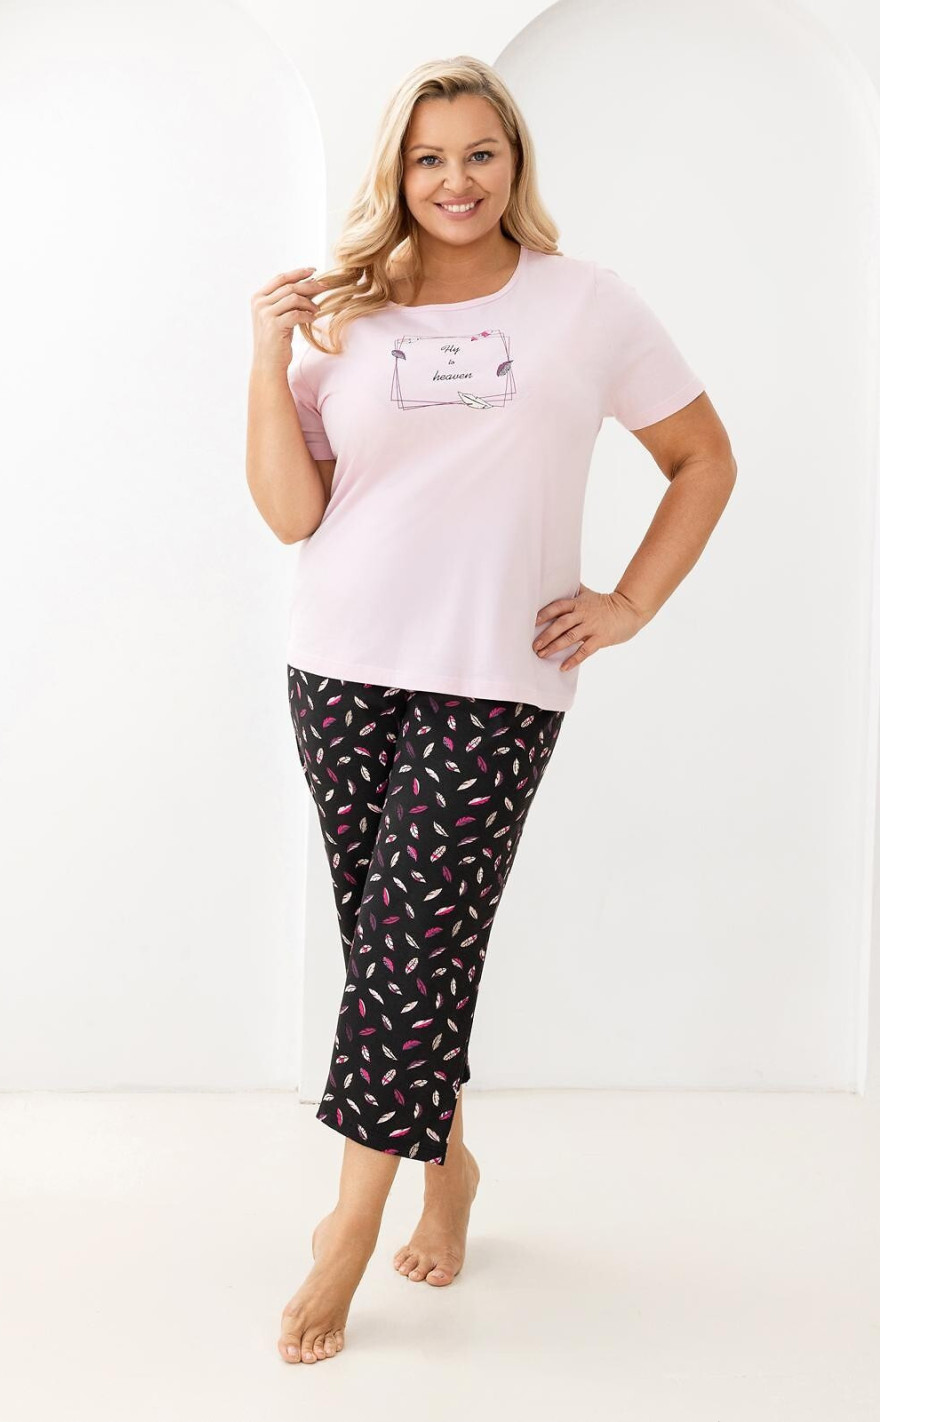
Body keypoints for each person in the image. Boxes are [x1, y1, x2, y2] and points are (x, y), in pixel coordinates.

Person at [246, 56, 737, 1366]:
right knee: (397, 954)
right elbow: (293, 513)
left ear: (514, 161)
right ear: (396, 173)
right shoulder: (348, 312)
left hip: (497, 679)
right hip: (340, 664)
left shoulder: (588, 305)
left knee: (411, 946)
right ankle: (447, 1166)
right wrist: (267, 354)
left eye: (480, 153)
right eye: (429, 158)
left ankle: (348, 1229)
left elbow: (702, 457)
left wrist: (629, 601)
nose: (455, 180)